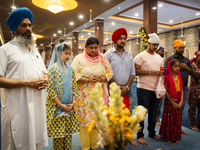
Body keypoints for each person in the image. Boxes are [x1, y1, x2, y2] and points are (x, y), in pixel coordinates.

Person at [0, 7, 48, 150]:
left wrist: (45, 79)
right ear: (15, 28)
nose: (28, 28)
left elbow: (44, 72)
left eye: (29, 25)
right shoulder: (5, 50)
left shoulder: (34, 51)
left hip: (36, 105)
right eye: (23, 25)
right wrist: (26, 82)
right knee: (16, 142)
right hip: (16, 107)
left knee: (34, 141)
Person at [71, 36, 113, 150]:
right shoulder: (78, 59)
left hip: (99, 95)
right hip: (83, 96)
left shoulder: (103, 58)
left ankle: (94, 145)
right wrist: (87, 79)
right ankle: (85, 146)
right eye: (91, 48)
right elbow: (73, 74)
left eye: (96, 47)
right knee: (84, 122)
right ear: (85, 47)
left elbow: (110, 73)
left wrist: (101, 78)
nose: (94, 50)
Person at [104, 28, 136, 146]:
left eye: (124, 38)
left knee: (128, 113)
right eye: (120, 38)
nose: (123, 41)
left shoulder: (129, 55)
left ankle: (127, 136)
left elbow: (133, 72)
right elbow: (106, 72)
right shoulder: (108, 54)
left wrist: (127, 86)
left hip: (127, 90)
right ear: (115, 40)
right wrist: (115, 86)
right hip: (113, 89)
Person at [46, 43, 79, 149]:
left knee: (68, 136)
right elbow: (50, 89)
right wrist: (60, 105)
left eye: (70, 54)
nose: (68, 56)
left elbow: (74, 87)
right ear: (59, 53)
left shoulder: (71, 70)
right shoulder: (52, 69)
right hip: (57, 107)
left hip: (69, 107)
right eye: (66, 53)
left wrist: (73, 102)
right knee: (59, 136)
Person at [134, 33, 163, 145]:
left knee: (153, 112)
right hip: (143, 88)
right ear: (148, 43)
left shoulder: (158, 57)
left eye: (157, 45)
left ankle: (152, 133)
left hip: (155, 88)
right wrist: (150, 72)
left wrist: (161, 72)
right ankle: (140, 135)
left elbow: (160, 69)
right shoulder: (140, 56)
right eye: (154, 45)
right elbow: (135, 71)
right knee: (142, 113)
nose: (155, 47)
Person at [164, 40, 193, 135]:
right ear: (175, 48)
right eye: (180, 47)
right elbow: (165, 73)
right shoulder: (169, 59)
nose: (182, 49)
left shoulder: (186, 60)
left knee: (181, 108)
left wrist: (186, 67)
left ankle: (178, 128)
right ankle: (170, 130)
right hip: (171, 90)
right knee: (171, 110)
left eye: (183, 48)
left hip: (183, 89)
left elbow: (191, 72)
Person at [159, 59, 183, 143]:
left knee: (177, 118)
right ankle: (168, 136)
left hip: (178, 99)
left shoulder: (178, 76)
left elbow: (181, 90)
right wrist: (172, 102)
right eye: (175, 66)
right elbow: (166, 91)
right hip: (170, 100)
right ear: (170, 66)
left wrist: (181, 101)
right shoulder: (167, 77)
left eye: (178, 66)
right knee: (170, 118)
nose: (177, 68)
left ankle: (176, 136)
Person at [188, 51, 200, 131]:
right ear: (196, 57)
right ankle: (192, 125)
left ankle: (198, 124)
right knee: (192, 109)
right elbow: (195, 74)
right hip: (194, 91)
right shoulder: (192, 65)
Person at [156, 46, 165, 126]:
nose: (163, 52)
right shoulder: (155, 59)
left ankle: (157, 118)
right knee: (156, 103)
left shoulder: (161, 60)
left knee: (159, 103)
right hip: (154, 85)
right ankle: (156, 119)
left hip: (161, 84)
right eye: (162, 51)